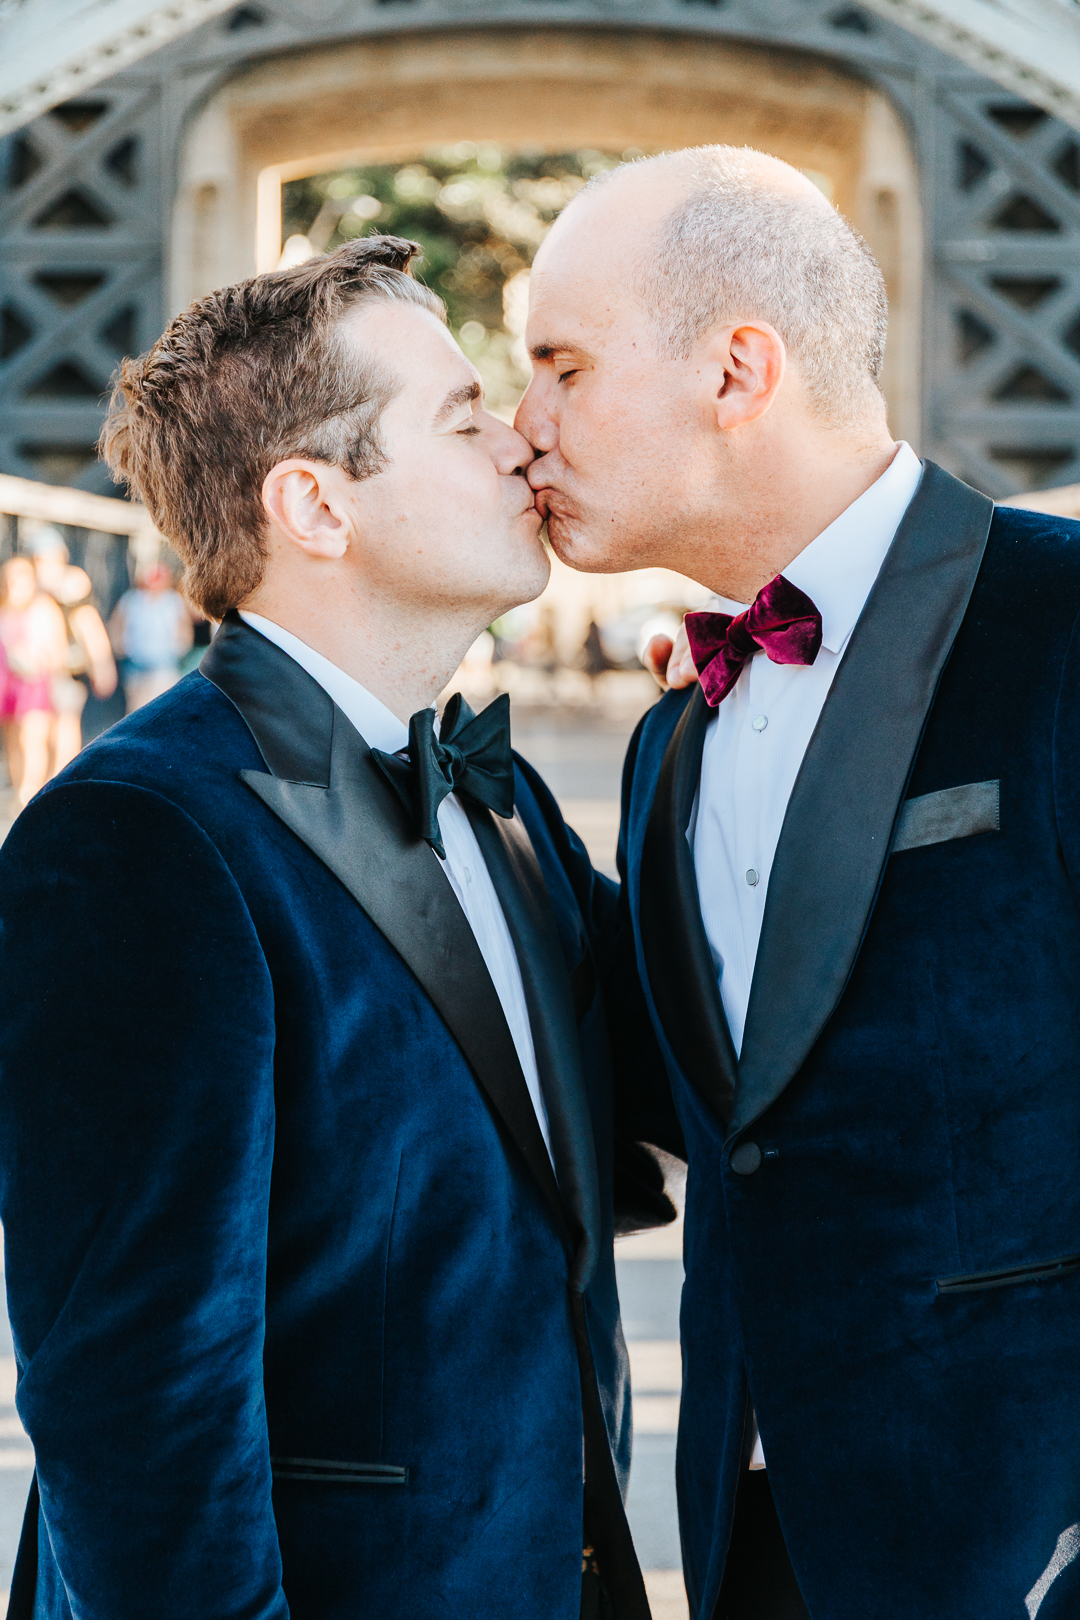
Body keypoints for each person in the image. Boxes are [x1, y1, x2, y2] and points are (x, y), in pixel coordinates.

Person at [0, 237, 666, 1620]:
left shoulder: (506, 798)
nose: (520, 445)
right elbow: (142, 1415)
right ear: (314, 504)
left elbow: (719, 1071)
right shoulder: (135, 843)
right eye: (463, 414)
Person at [515, 145, 1080, 1620]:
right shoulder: (665, 752)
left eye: (562, 367)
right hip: (746, 1541)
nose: (524, 429)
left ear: (737, 369)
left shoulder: (1066, 630)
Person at [26, 524, 117, 771]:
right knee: (40, 731)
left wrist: (103, 664)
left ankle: (60, 777)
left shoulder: (70, 584)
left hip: (66, 670)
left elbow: (88, 625)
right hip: (38, 672)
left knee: (64, 727)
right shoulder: (32, 586)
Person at [0, 555, 67, 806]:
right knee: (13, 740)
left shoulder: (43, 607)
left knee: (32, 739)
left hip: (36, 681)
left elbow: (56, 649)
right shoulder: (4, 608)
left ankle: (28, 796)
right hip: (8, 683)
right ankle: (20, 790)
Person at [109, 560, 193, 710]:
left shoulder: (174, 601)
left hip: (164, 664)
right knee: (136, 710)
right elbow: (117, 625)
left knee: (161, 709)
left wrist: (180, 649)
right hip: (136, 663)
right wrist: (120, 648)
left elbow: (184, 629)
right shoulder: (131, 599)